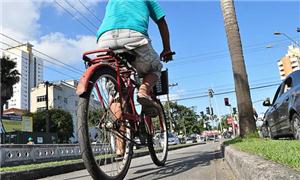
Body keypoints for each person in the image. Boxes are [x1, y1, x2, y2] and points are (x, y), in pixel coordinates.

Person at [96, 0, 173, 156]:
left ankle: (120, 148)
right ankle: (143, 91)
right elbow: (161, 22)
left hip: (104, 40)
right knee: (155, 67)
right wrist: (166, 49)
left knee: (117, 94)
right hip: (133, 37)